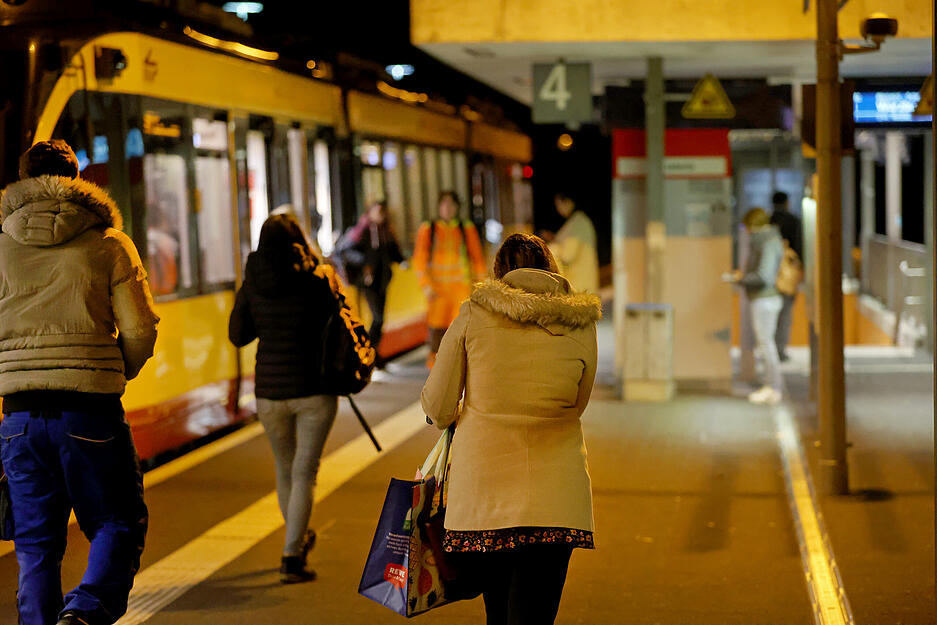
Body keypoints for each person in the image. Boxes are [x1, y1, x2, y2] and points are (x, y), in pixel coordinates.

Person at [0, 140, 159, 625]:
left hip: (19, 417)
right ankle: (85, 613)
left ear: (22, 179)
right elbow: (140, 329)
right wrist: (113, 370)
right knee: (117, 522)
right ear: (77, 178)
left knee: (35, 542)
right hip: (91, 412)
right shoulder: (109, 243)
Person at [421, 233, 600, 625]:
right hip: (557, 497)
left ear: (499, 272)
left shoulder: (474, 313)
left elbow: (438, 406)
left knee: (498, 615)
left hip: (486, 498)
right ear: (552, 269)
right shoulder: (581, 323)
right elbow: (578, 403)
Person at [228, 212, 342, 584]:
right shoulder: (316, 279)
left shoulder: (253, 281)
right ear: (299, 241)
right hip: (314, 390)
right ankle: (292, 554)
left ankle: (297, 536)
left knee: (285, 468)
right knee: (305, 472)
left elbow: (238, 334)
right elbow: (337, 325)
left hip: (270, 392)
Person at [412, 191, 487, 368]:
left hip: (461, 291)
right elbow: (419, 260)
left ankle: (459, 367)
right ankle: (436, 370)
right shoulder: (428, 229)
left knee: (461, 330)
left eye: (451, 204)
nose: (447, 208)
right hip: (437, 292)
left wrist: (481, 285)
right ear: (439, 207)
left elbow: (477, 259)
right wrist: (425, 285)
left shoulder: (466, 228)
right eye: (444, 204)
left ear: (457, 207)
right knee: (437, 331)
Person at [336, 201, 404, 357]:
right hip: (368, 281)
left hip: (383, 280)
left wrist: (401, 261)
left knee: (380, 318)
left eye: (382, 212)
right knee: (377, 317)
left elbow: (392, 252)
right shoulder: (362, 230)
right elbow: (345, 251)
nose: (380, 215)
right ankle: (370, 351)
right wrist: (365, 262)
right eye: (377, 212)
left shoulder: (386, 231)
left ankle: (372, 351)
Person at [733, 208, 785, 405]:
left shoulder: (767, 242)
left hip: (765, 299)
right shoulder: (768, 240)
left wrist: (742, 279)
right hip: (765, 298)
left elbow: (764, 276)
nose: (746, 232)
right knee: (766, 344)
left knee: (766, 345)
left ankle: (773, 387)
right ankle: (771, 386)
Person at [769, 191, 803, 362]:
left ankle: (770, 351)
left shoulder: (768, 222)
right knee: (785, 315)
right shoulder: (793, 221)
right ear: (787, 202)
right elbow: (799, 249)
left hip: (770, 276)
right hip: (787, 276)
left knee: (770, 317)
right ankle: (780, 350)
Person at [549, 191, 600, 294]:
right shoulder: (579, 220)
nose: (558, 209)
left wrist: (553, 247)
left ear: (568, 202)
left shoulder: (578, 223)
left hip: (580, 285)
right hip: (583, 284)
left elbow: (568, 255)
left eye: (559, 204)